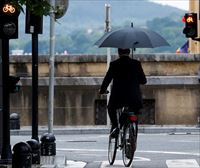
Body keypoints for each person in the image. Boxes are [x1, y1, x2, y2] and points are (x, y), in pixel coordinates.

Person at [99, 48, 147, 136]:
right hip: (134, 98)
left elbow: (107, 80)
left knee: (111, 108)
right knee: (134, 112)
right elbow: (144, 81)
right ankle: (132, 137)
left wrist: (102, 90)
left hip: (118, 97)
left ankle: (115, 126)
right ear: (129, 52)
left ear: (118, 53)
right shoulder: (136, 64)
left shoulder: (114, 64)